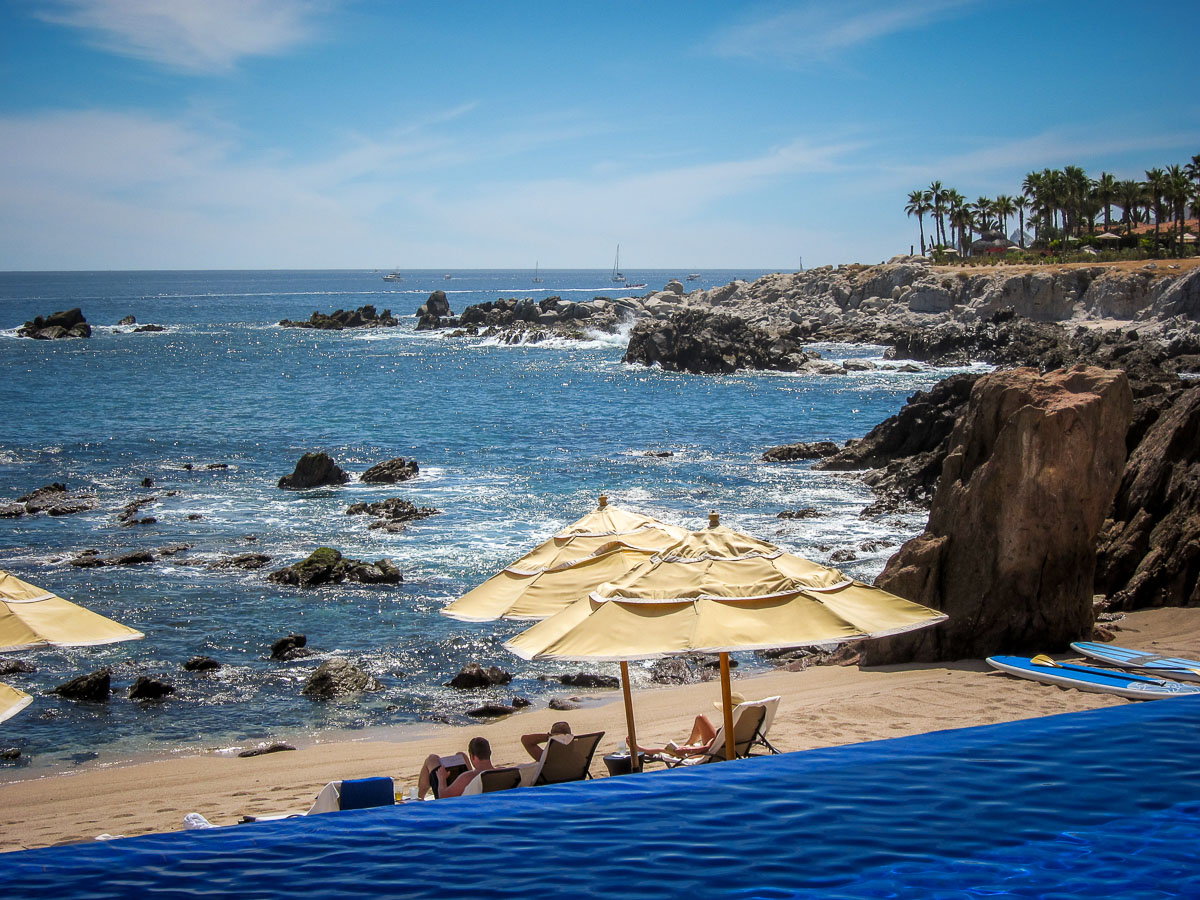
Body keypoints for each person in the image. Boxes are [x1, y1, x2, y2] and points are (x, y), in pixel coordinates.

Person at [417, 736, 496, 800]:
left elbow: (443, 796)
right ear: (490, 753)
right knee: (461, 755)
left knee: (432, 759)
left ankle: (420, 798)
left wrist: (442, 779)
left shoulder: (466, 777)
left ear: (472, 756)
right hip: (481, 799)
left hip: (454, 805)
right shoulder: (503, 771)